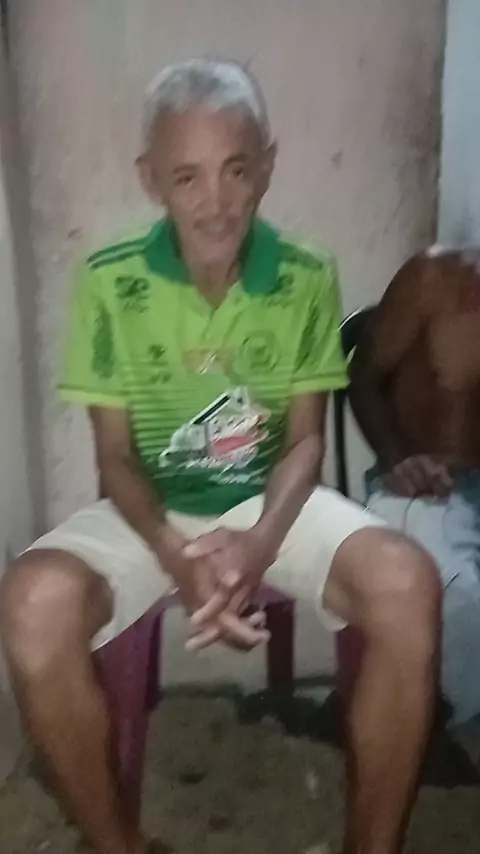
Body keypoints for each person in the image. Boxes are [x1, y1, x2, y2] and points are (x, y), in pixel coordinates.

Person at [0, 59, 440, 854]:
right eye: (188, 177)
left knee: (409, 585)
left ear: (267, 166)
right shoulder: (110, 283)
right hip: (150, 508)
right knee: (32, 605)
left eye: (237, 170)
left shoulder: (306, 274)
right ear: (151, 181)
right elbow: (115, 460)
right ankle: (121, 847)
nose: (217, 200)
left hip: (274, 502)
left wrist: (261, 542)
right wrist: (174, 552)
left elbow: (305, 442)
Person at [349, 246, 480, 745]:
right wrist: (399, 459)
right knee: (450, 592)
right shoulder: (434, 278)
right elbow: (363, 378)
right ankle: (462, 734)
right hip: (428, 485)